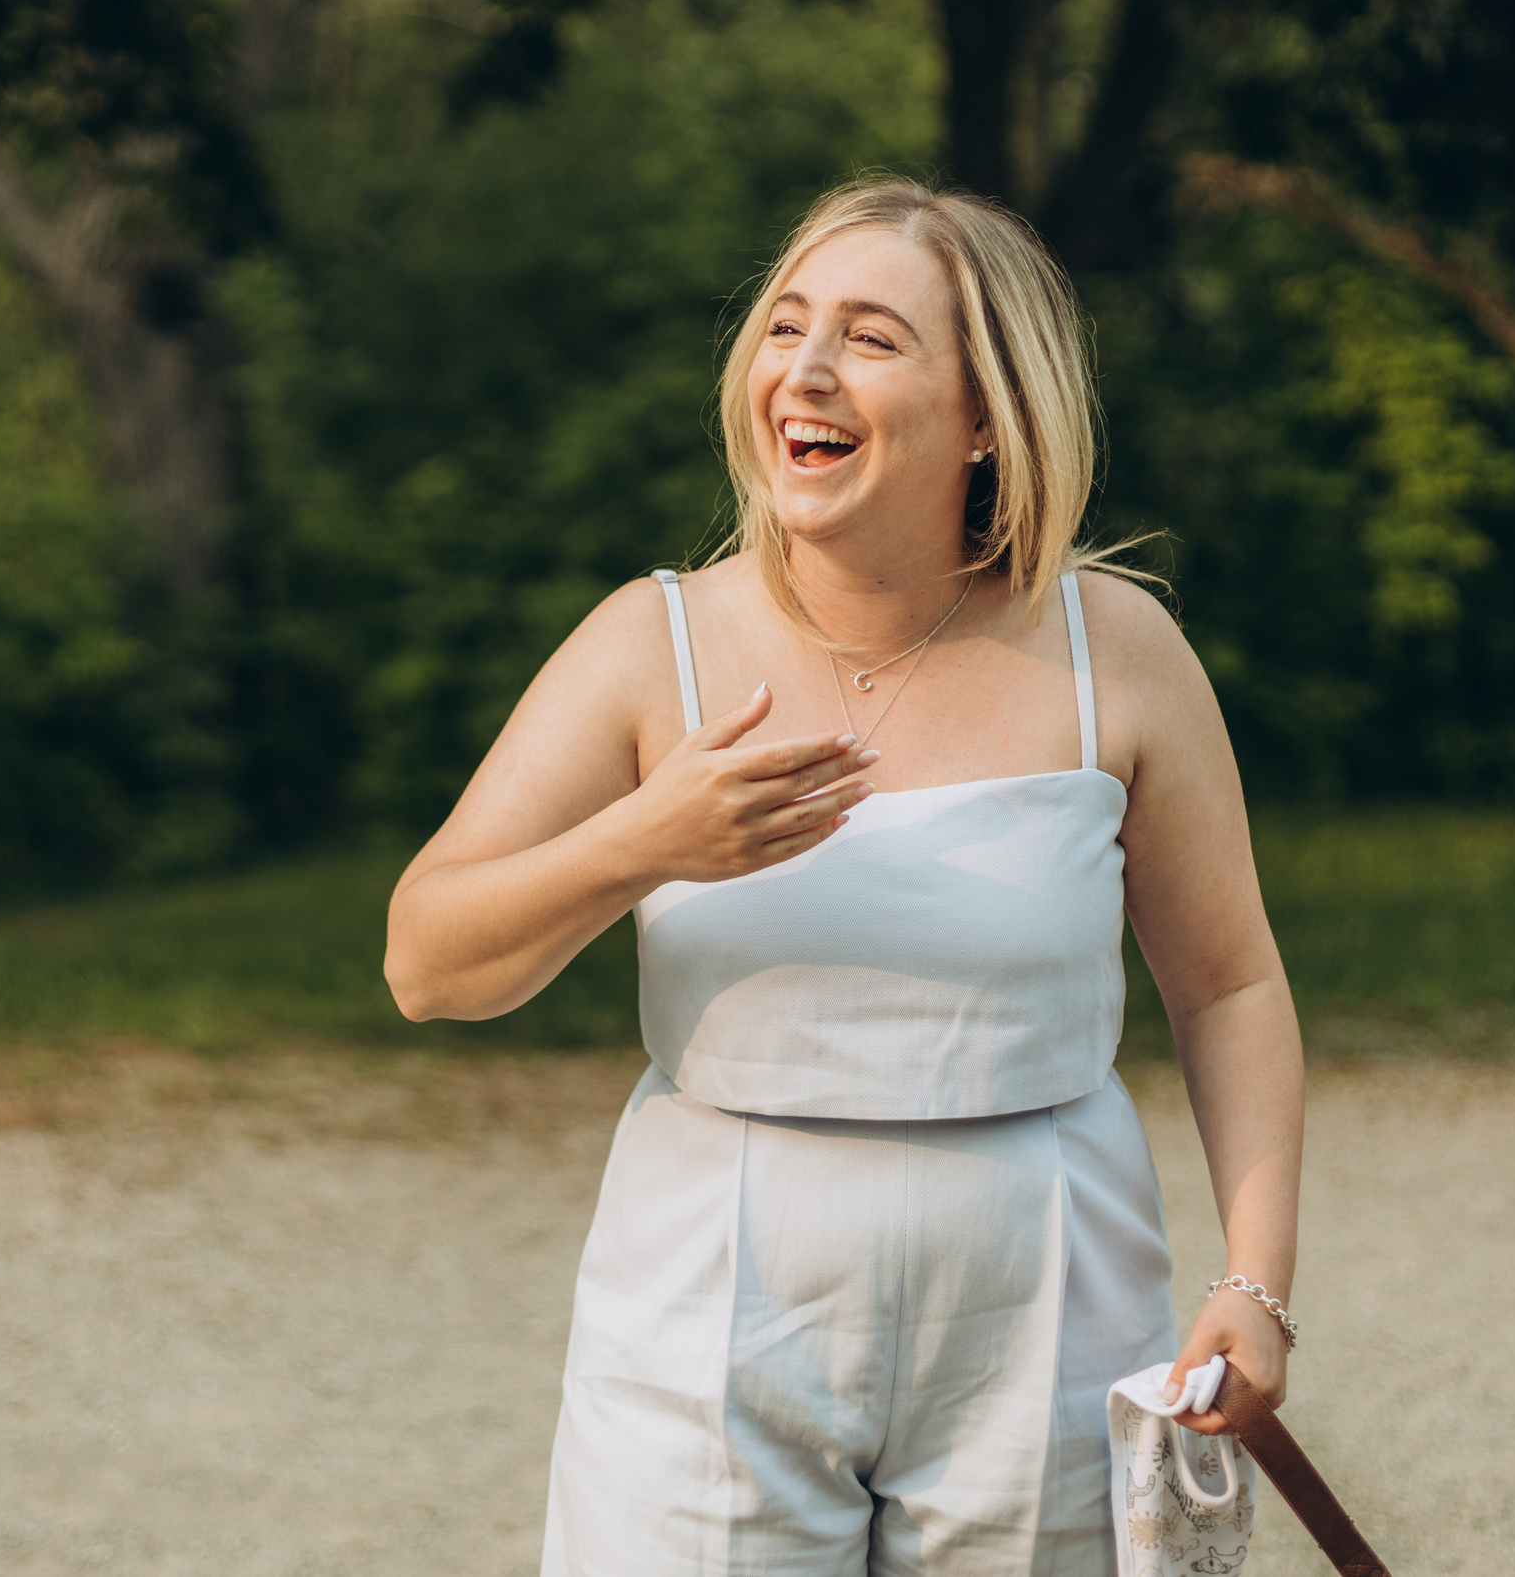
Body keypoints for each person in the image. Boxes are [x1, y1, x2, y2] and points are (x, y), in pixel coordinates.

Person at [383, 177, 1306, 1577]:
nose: (803, 373)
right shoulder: (652, 644)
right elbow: (425, 962)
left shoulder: (1113, 649)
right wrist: (646, 839)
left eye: (871, 339)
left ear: (989, 413)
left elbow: (1230, 984)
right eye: (786, 328)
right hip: (709, 1300)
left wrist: (1255, 1281)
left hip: (1047, 1296)